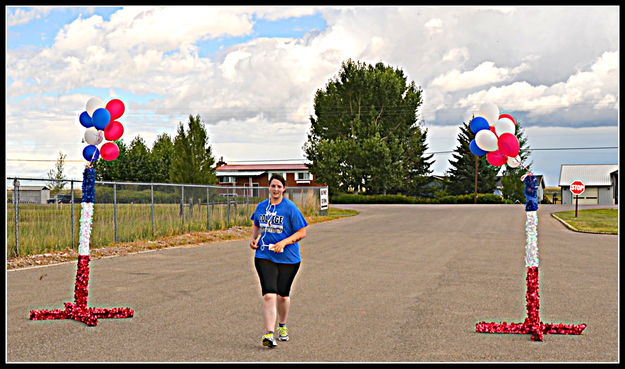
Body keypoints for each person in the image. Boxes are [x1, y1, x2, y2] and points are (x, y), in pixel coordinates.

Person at [249, 174, 309, 348]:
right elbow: (256, 223)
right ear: (269, 188)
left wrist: (283, 242)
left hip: (288, 259)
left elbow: (302, 232)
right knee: (269, 294)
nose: (275, 189)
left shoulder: (290, 208)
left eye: (279, 187)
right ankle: (269, 334)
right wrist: (253, 238)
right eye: (273, 186)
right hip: (264, 256)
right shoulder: (262, 207)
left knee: (282, 296)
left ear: (284, 189)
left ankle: (282, 326)